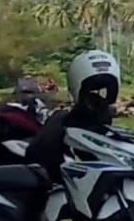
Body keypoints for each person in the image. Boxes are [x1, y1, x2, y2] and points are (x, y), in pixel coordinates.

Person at [27, 51, 119, 183]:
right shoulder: (68, 122)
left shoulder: (88, 117)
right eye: (90, 93)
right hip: (52, 180)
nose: (99, 100)